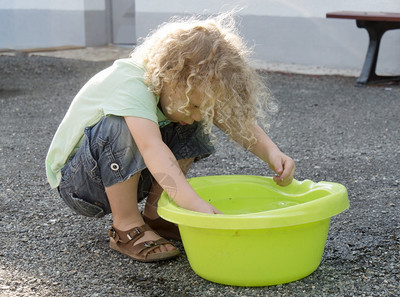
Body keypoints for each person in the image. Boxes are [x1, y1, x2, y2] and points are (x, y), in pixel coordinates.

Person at [45, 12, 295, 263]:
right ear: (172, 77)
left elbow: (234, 120)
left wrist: (272, 153)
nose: (199, 114)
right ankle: (126, 226)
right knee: (121, 124)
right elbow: (153, 149)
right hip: (81, 185)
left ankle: (157, 216)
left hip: (125, 176)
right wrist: (192, 203)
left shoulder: (178, 94)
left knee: (188, 122)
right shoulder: (131, 83)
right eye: (197, 105)